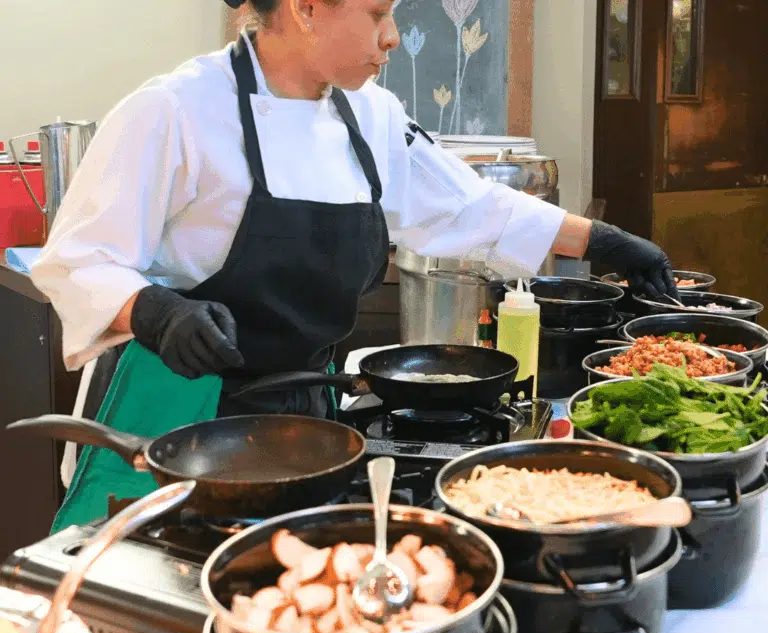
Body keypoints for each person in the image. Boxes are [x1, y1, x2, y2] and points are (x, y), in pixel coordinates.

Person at [30, 0, 678, 424]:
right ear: (307, 8)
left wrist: (603, 241)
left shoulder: (371, 114)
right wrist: (154, 311)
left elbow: (469, 205)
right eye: (377, 14)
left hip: (303, 411)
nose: (391, 36)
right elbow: (77, 261)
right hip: (177, 410)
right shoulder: (176, 109)